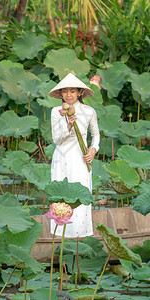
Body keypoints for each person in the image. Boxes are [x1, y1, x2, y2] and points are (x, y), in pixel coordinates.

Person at [48, 73, 100, 238]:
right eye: (65, 91)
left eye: (72, 91)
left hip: (81, 159)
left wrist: (93, 150)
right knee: (61, 198)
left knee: (80, 196)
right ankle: (59, 237)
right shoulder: (57, 112)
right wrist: (69, 125)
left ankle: (80, 235)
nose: (68, 95)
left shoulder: (89, 111)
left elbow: (96, 135)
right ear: (61, 94)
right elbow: (57, 139)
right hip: (62, 158)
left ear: (80, 93)